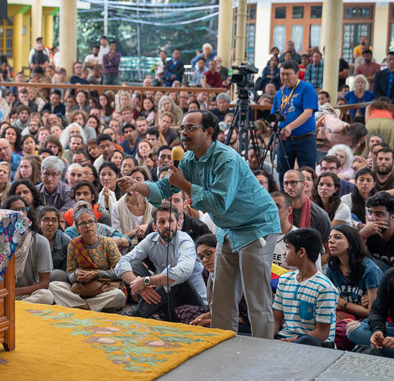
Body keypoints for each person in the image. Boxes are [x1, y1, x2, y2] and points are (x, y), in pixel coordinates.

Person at [118, 110, 280, 338]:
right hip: (228, 230)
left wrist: (183, 183)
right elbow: (165, 188)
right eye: (183, 127)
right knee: (222, 296)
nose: (184, 133)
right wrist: (136, 185)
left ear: (209, 132)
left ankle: (263, 351)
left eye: (191, 128)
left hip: (256, 226)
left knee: (256, 297)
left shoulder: (227, 159)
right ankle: (222, 344)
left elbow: (219, 203)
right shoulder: (188, 159)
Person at [116, 202, 207, 321]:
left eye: (171, 221)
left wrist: (146, 281)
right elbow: (121, 262)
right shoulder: (150, 240)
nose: (167, 225)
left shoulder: (185, 240)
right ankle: (151, 312)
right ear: (154, 227)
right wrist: (139, 286)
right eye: (162, 222)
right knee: (135, 266)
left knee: (174, 277)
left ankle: (137, 314)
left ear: (178, 224)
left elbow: (182, 271)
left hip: (193, 306)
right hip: (166, 302)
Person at [48, 208, 127, 312]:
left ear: (96, 224)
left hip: (102, 288)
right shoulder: (74, 244)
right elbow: (69, 273)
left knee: (119, 296)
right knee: (53, 286)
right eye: (82, 223)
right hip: (81, 288)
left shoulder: (108, 243)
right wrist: (76, 275)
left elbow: (120, 272)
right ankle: (91, 307)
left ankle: (79, 306)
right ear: (78, 229)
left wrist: (97, 274)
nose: (88, 226)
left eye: (91, 221)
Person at [272, 228, 339, 347]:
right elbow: (276, 320)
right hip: (285, 338)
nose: (283, 253)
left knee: (307, 341)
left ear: (301, 252)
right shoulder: (284, 280)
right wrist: (266, 340)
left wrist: (291, 341)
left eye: (287, 247)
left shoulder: (324, 288)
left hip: (315, 343)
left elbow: (322, 333)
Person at [271, 59, 318, 185]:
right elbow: (274, 116)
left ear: (297, 74)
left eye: (288, 74)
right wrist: (273, 126)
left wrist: (290, 127)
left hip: (305, 139)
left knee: (306, 175)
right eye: (282, 74)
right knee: (284, 174)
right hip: (285, 141)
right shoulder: (280, 93)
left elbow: (308, 112)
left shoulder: (306, 88)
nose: (285, 77)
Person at [4, 196, 55, 305]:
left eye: (23, 209)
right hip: (4, 294)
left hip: (28, 295)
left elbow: (44, 283)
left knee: (47, 296)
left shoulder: (41, 242)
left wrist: (14, 292)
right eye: (15, 210)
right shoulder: (0, 241)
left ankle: (13, 308)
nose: (21, 213)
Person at [327, 224, 383, 321]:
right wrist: (356, 307)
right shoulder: (332, 267)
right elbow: (330, 303)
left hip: (372, 321)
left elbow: (373, 313)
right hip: (348, 316)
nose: (331, 241)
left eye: (337, 237)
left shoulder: (370, 270)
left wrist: (344, 304)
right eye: (330, 237)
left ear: (351, 243)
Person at [346, 267, 394, 357]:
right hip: (391, 330)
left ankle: (383, 349)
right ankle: (384, 348)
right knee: (352, 329)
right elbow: (377, 310)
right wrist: (378, 330)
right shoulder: (390, 275)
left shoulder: (372, 270)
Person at [37, 205, 73, 282]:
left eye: (54, 220)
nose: (50, 223)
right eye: (46, 220)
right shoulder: (33, 239)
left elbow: (68, 269)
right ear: (39, 223)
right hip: (36, 277)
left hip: (57, 280)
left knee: (58, 274)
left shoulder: (65, 240)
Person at [360, 192, 394, 268]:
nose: (372, 218)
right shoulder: (368, 233)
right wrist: (362, 235)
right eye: (370, 213)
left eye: (379, 214)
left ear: (393, 217)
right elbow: (352, 258)